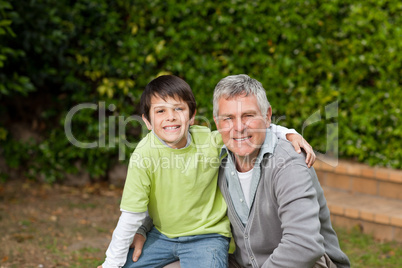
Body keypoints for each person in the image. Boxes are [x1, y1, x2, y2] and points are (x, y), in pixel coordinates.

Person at [98, 75, 315, 268]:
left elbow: (249, 128)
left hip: (207, 237)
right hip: (163, 236)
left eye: (179, 109)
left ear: (191, 117)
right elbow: (132, 214)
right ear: (146, 121)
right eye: (160, 111)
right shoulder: (143, 155)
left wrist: (289, 133)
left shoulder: (208, 142)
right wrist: (111, 263)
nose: (171, 117)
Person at [213, 74, 350, 267]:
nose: (238, 127)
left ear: (267, 116)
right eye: (228, 118)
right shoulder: (218, 161)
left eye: (248, 116)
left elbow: (304, 245)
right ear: (217, 122)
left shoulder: (288, 161)